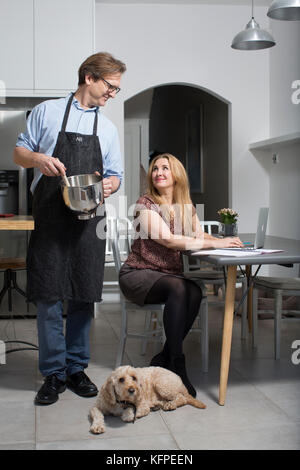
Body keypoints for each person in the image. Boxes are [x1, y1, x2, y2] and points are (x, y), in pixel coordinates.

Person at [13, 52, 126, 405]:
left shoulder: (107, 129)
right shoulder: (47, 112)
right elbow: (19, 152)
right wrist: (38, 159)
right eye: (111, 86)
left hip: (89, 221)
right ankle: (53, 374)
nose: (112, 94)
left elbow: (116, 176)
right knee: (48, 296)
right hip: (50, 218)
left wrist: (111, 185)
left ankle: (76, 368)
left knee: (82, 295)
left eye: (117, 89)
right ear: (89, 78)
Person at [119, 153, 243, 397]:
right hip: (139, 273)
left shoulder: (185, 205)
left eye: (165, 168)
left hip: (168, 275)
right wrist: (214, 244)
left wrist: (223, 241)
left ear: (176, 174)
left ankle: (164, 356)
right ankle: (177, 364)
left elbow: (199, 235)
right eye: (155, 169)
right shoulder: (146, 204)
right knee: (179, 288)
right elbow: (168, 239)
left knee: (194, 291)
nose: (158, 173)